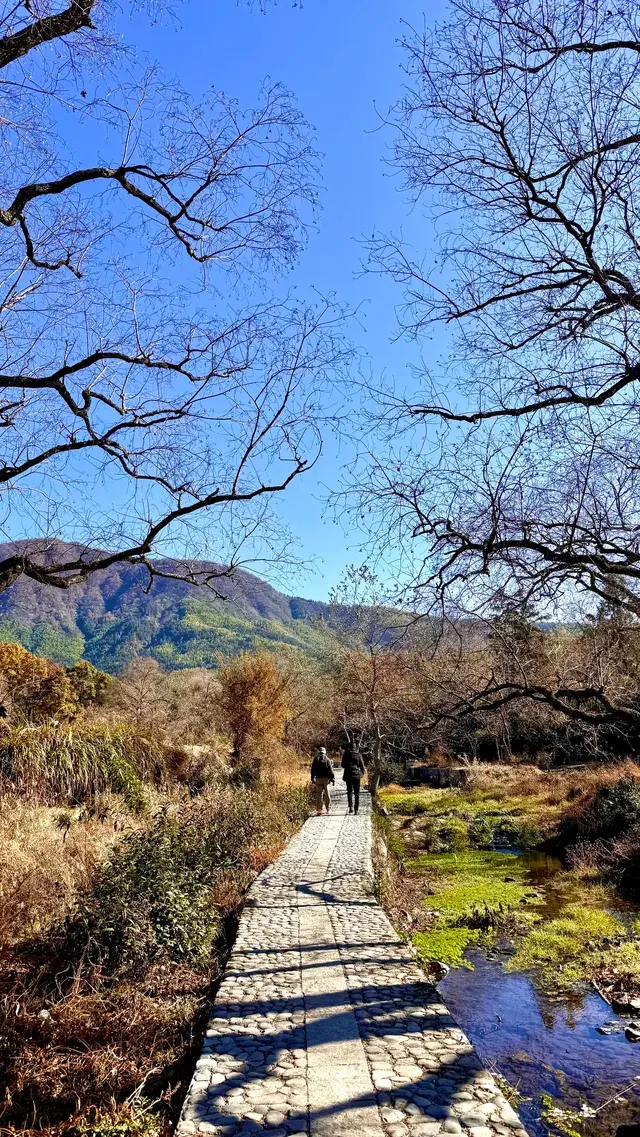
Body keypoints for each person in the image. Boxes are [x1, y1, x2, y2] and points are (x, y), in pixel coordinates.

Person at [341, 743, 366, 814]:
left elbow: (342, 765)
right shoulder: (358, 755)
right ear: (355, 748)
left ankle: (351, 807)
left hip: (348, 775)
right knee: (357, 793)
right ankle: (356, 809)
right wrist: (362, 774)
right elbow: (362, 766)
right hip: (357, 776)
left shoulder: (346, 755)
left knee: (349, 792)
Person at [310, 746, 334, 814]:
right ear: (325, 752)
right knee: (327, 794)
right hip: (326, 779)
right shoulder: (327, 759)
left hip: (318, 779)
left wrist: (312, 778)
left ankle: (319, 810)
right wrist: (332, 779)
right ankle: (328, 809)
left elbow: (312, 770)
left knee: (319, 794)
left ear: (318, 752)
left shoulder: (315, 759)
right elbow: (331, 770)